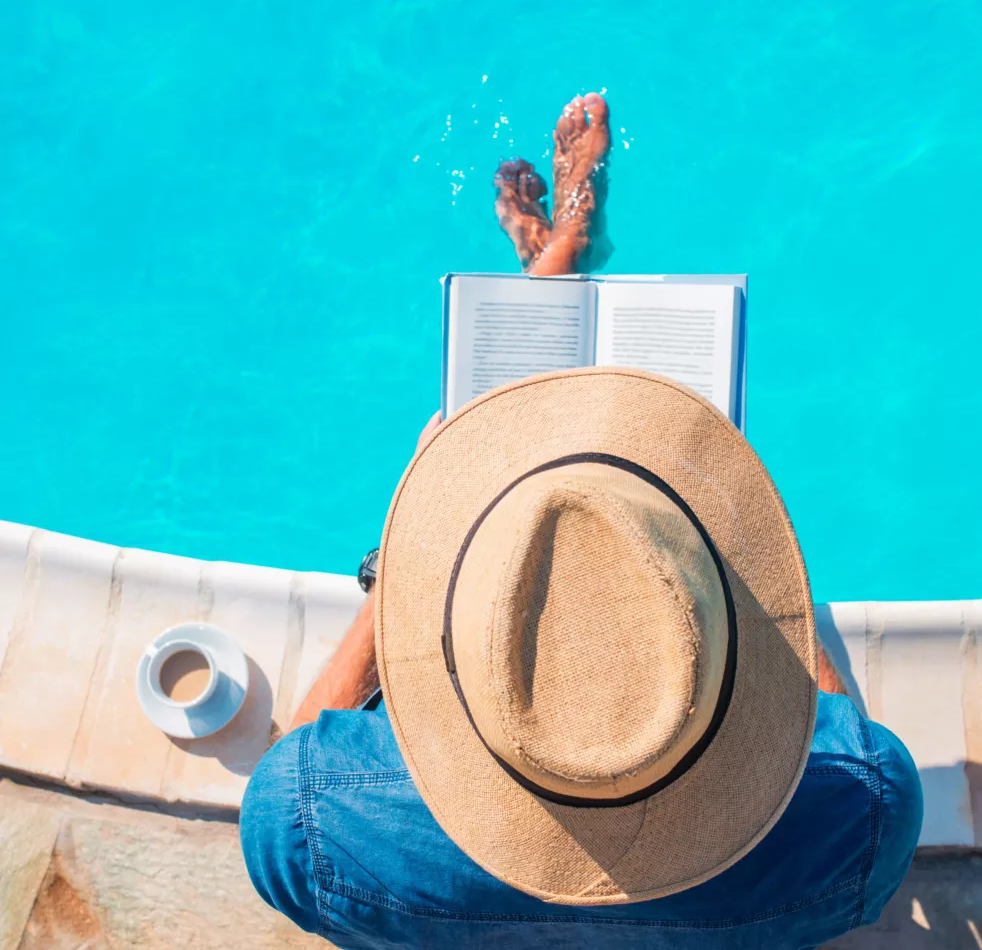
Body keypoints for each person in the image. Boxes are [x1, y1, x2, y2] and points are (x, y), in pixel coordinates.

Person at [240, 92, 922, 949]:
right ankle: (559, 251)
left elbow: (282, 776)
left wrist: (402, 567)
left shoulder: (310, 824)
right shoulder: (865, 816)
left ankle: (552, 266)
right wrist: (748, 574)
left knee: (543, 520)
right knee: (601, 531)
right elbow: (838, 733)